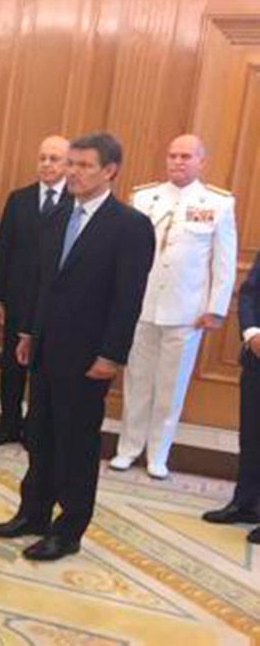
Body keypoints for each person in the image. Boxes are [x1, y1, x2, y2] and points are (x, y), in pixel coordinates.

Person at [0, 132, 155, 561]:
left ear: (110, 171)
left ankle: (69, 527)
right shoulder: (57, 217)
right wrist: (27, 333)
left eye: (83, 166)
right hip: (44, 348)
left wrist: (111, 355)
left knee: (75, 443)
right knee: (39, 434)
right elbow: (44, 285)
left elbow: (127, 298)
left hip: (88, 356)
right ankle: (34, 512)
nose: (72, 172)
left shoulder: (130, 226)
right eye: (71, 164)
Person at [111, 135, 237, 479]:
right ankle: (128, 448)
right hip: (142, 307)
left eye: (186, 156)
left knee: (171, 386)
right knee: (137, 382)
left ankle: (158, 454)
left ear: (201, 161)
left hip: (187, 312)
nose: (178, 162)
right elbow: (124, 255)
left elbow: (224, 261)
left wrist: (216, 308)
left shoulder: (217, 203)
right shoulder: (144, 197)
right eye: (172, 155)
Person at [0, 135, 70, 445]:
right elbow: (3, 251)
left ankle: (35, 429)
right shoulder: (19, 199)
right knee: (11, 367)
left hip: (52, 304)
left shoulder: (74, 203)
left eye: (54, 159)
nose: (47, 164)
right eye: (43, 158)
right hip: (17, 299)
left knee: (42, 370)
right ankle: (8, 424)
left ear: (67, 164)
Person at [202, 249, 260, 545]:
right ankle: (245, 502)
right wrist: (252, 333)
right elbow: (250, 291)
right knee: (251, 434)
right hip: (258, 355)